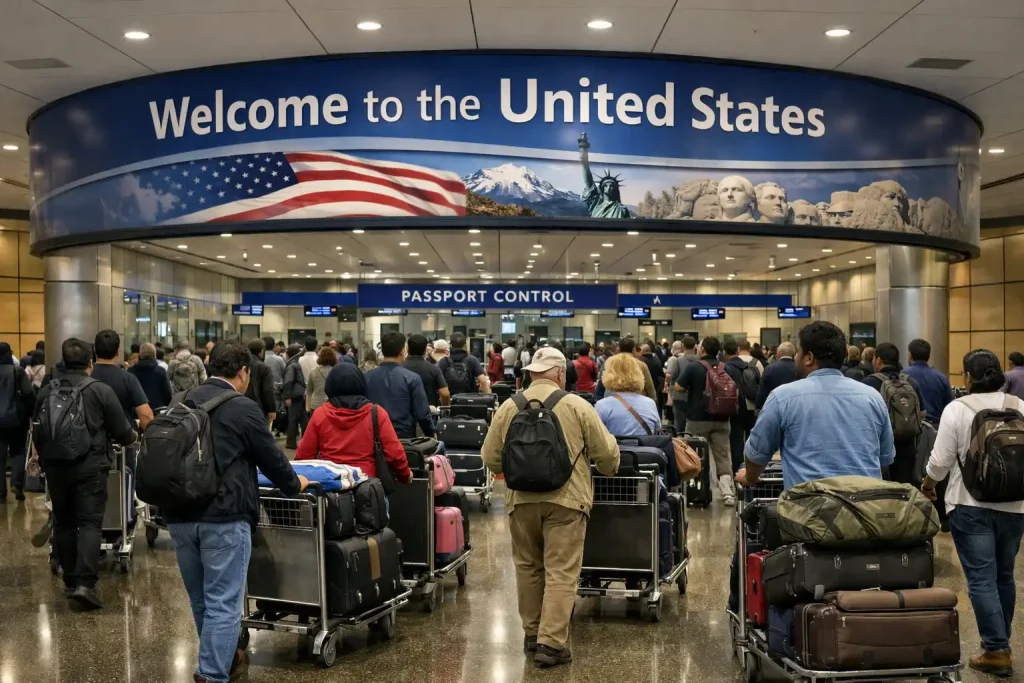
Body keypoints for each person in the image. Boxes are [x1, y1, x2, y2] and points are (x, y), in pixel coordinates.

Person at [164, 342, 307, 682]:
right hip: (224, 516)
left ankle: (222, 659)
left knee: (201, 599)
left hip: (180, 515)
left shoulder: (179, 401)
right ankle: (212, 674)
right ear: (243, 373)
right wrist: (294, 484)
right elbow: (271, 458)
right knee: (224, 603)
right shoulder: (242, 407)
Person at [481, 347, 619, 668]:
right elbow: (608, 457)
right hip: (567, 501)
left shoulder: (508, 407)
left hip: (520, 502)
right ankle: (552, 643)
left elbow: (489, 458)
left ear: (530, 373)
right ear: (560, 373)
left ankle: (532, 634)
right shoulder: (577, 405)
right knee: (561, 571)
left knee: (528, 567)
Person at [922, 351, 1024, 676]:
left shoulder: (958, 408)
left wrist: (928, 485)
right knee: (1004, 575)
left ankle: (996, 649)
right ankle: (999, 644)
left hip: (971, 505)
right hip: (1015, 504)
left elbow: (939, 462)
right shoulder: (1019, 406)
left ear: (967, 376)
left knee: (981, 578)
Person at [35, 338, 138, 609]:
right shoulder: (100, 391)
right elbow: (124, 433)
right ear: (90, 362)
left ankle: (70, 581)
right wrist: (132, 438)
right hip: (90, 469)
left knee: (64, 522)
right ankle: (85, 584)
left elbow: (37, 428)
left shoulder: (47, 391)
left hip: (56, 468)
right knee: (90, 524)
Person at [738, 322, 894, 490]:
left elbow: (756, 454)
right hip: (865, 509)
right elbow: (884, 460)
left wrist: (749, 477)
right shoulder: (873, 398)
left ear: (809, 357)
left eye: (798, 352)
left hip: (808, 510)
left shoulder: (782, 398)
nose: (795, 357)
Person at [296, 363, 414, 483]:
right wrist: (405, 475)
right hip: (368, 486)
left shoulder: (320, 414)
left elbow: (303, 456)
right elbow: (394, 454)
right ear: (361, 384)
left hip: (331, 486)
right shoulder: (376, 413)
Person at [678, 336, 736, 505]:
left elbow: (680, 387)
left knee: (693, 455)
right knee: (723, 455)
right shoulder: (726, 368)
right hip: (722, 418)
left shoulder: (694, 367)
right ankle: (727, 493)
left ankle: (696, 491)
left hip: (697, 418)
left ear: (702, 349)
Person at [862, 342, 926, 484]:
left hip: (878, 449)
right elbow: (922, 414)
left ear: (878, 360)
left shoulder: (868, 383)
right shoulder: (911, 382)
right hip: (907, 447)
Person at [364, 332, 435, 439]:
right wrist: (431, 435)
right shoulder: (412, 378)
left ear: (382, 350)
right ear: (403, 351)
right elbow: (422, 415)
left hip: (373, 437)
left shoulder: (365, 377)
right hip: (403, 438)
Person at [595, 353, 661, 435]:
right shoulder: (650, 403)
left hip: (617, 447)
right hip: (646, 446)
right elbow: (657, 430)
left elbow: (596, 435)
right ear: (638, 373)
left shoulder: (602, 405)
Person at [0, 342, 34, 502]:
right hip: (16, 419)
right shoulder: (17, 371)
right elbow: (28, 394)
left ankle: (1, 491)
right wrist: (30, 413)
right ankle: (17, 483)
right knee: (18, 452)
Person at [722, 339, 755, 472]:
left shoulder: (725, 367)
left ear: (725, 353)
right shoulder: (749, 366)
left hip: (733, 408)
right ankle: (749, 465)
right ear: (737, 351)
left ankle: (737, 469)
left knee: (735, 441)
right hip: (748, 406)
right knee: (749, 439)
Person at [903, 339, 954, 426]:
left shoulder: (901, 376)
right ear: (929, 355)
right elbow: (950, 405)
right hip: (936, 429)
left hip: (909, 428)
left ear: (909, 355)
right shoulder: (941, 378)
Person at [597, 338, 657, 403]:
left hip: (611, 399)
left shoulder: (609, 362)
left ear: (619, 349)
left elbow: (601, 383)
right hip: (635, 402)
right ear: (634, 349)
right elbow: (649, 386)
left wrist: (599, 400)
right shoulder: (641, 365)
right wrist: (653, 400)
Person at [404, 334, 450, 408]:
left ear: (407, 349)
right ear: (425, 350)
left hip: (405, 413)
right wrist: (445, 408)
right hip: (428, 413)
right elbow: (445, 394)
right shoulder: (433, 369)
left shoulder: (399, 368)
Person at [127, 343, 172, 412]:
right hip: (158, 410)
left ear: (140, 355)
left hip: (137, 411)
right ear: (155, 355)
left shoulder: (131, 372)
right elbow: (167, 393)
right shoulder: (161, 371)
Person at [755, 341, 799, 410]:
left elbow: (762, 392)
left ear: (778, 353)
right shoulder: (798, 369)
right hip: (794, 407)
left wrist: (759, 407)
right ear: (794, 354)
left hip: (774, 408)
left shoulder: (769, 368)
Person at [668, 337, 698, 435]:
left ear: (682, 347)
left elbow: (673, 378)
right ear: (695, 346)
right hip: (696, 397)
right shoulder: (700, 360)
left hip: (680, 397)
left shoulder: (679, 360)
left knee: (679, 425)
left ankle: (680, 446)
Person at [244, 339, 277, 425]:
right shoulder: (264, 367)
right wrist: (272, 409)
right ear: (261, 351)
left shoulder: (242, 365)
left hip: (242, 405)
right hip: (259, 408)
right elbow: (268, 390)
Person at [281, 343, 308, 449]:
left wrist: (287, 397)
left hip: (294, 395)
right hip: (300, 394)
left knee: (293, 419)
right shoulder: (296, 363)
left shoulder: (291, 365)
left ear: (288, 354)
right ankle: (306, 441)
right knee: (303, 418)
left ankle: (291, 442)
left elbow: (288, 382)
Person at [306, 346, 338, 414]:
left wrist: (307, 406)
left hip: (316, 405)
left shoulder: (313, 372)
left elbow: (309, 391)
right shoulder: (336, 371)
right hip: (332, 404)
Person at [640, 342, 666, 418]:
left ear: (643, 351)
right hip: (657, 387)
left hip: (644, 390)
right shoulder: (657, 360)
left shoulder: (641, 361)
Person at [262, 336, 286, 413]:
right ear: (274, 346)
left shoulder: (260, 359)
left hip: (262, 391)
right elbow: (285, 373)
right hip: (277, 391)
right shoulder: (279, 359)